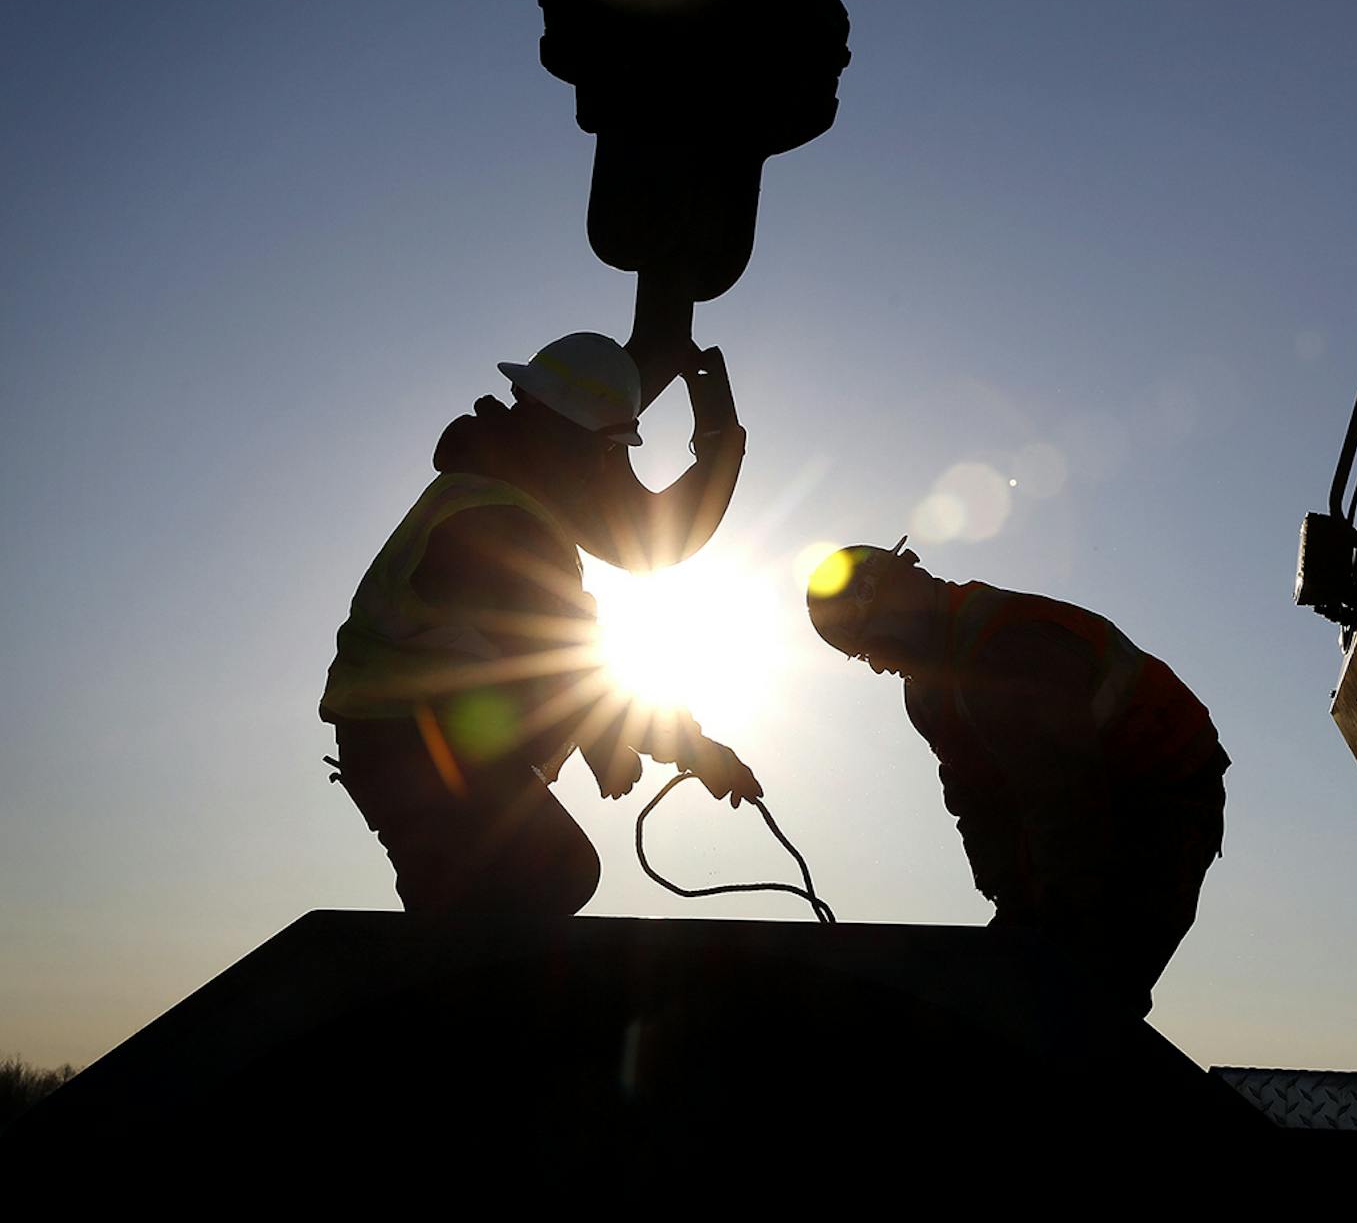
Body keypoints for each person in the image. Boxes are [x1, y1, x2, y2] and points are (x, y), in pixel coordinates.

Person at [320, 331, 761, 915]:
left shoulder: (488, 495)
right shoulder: (504, 523)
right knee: (555, 870)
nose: (605, 469)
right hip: (412, 744)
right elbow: (571, 668)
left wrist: (603, 739)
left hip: (402, 737)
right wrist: (692, 749)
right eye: (606, 451)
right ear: (573, 444)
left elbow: (532, 662)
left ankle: (436, 970)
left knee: (481, 886)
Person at [805, 542, 1229, 1014]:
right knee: (1028, 971)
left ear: (900, 605)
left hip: (1167, 792)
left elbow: (1066, 800)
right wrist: (1009, 897)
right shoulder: (927, 694)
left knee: (1098, 982)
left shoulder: (1010, 648)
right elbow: (972, 797)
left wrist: (1054, 917)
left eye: (877, 645)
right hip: (1084, 795)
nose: (881, 665)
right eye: (865, 658)